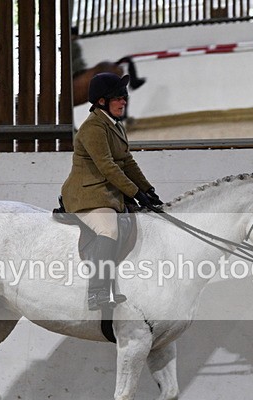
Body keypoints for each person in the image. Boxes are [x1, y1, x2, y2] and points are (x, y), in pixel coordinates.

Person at [60, 72, 163, 311]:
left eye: (124, 97)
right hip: (88, 195)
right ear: (102, 101)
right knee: (108, 228)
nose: (124, 101)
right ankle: (96, 293)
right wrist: (135, 192)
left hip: (108, 194)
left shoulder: (115, 126)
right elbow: (107, 166)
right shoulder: (93, 128)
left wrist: (148, 190)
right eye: (118, 97)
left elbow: (127, 162)